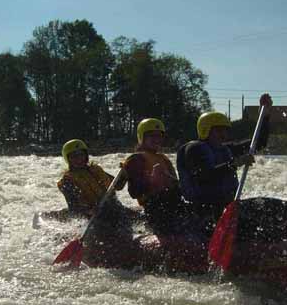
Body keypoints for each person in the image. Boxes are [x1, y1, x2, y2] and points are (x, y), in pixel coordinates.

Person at [176, 94, 273, 229]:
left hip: (225, 206)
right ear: (206, 130)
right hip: (203, 212)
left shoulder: (225, 149)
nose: (223, 135)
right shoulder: (193, 149)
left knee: (269, 209)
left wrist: (265, 116)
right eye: (218, 131)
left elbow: (258, 143)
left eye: (225, 131)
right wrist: (234, 164)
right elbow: (204, 176)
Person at [116, 119, 197, 237]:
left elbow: (175, 184)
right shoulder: (136, 159)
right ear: (142, 137)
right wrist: (151, 180)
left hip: (173, 201)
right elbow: (134, 192)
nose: (156, 139)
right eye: (151, 136)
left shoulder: (163, 158)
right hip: (155, 206)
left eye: (159, 136)